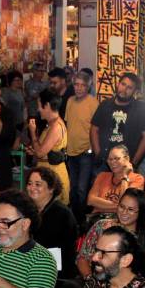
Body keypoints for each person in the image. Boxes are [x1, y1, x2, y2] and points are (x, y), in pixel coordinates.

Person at [78, 188, 145, 281]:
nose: (124, 212)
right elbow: (82, 258)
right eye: (122, 207)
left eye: (130, 209)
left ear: (141, 212)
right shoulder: (101, 226)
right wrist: (91, 282)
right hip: (97, 282)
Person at [90, 72, 145, 174]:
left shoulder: (141, 109)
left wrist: (134, 162)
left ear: (135, 91)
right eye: (123, 84)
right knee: (99, 189)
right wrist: (98, 154)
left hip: (126, 164)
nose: (124, 90)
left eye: (129, 88)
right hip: (103, 162)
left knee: (123, 190)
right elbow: (94, 129)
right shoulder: (105, 105)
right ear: (118, 84)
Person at [26, 167, 78, 279]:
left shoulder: (61, 213)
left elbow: (45, 245)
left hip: (55, 271)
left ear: (51, 188)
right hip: (36, 263)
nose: (32, 188)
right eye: (29, 184)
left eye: (38, 184)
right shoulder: (28, 210)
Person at [65, 71, 100, 222]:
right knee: (72, 189)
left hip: (86, 152)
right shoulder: (70, 101)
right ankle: (73, 220)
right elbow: (68, 124)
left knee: (81, 189)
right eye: (76, 84)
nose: (78, 88)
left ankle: (81, 222)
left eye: (82, 85)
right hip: (71, 151)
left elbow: (97, 129)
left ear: (88, 86)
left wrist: (92, 149)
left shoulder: (94, 103)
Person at [27, 89, 70, 205]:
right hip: (46, 173)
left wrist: (32, 132)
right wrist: (33, 151)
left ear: (47, 105)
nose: (38, 109)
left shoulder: (56, 126)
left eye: (39, 106)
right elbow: (42, 151)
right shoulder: (51, 124)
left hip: (53, 176)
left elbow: (40, 152)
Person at [87, 145, 145, 220]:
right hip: (97, 218)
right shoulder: (102, 176)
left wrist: (125, 177)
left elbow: (126, 204)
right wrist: (118, 205)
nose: (112, 162)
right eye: (110, 159)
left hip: (121, 220)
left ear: (127, 159)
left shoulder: (137, 179)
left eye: (116, 158)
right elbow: (90, 201)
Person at [25, 62, 48, 127]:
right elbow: (33, 95)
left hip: (43, 113)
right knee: (32, 133)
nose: (42, 73)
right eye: (40, 71)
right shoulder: (29, 83)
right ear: (34, 71)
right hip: (33, 113)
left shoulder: (45, 83)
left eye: (43, 71)